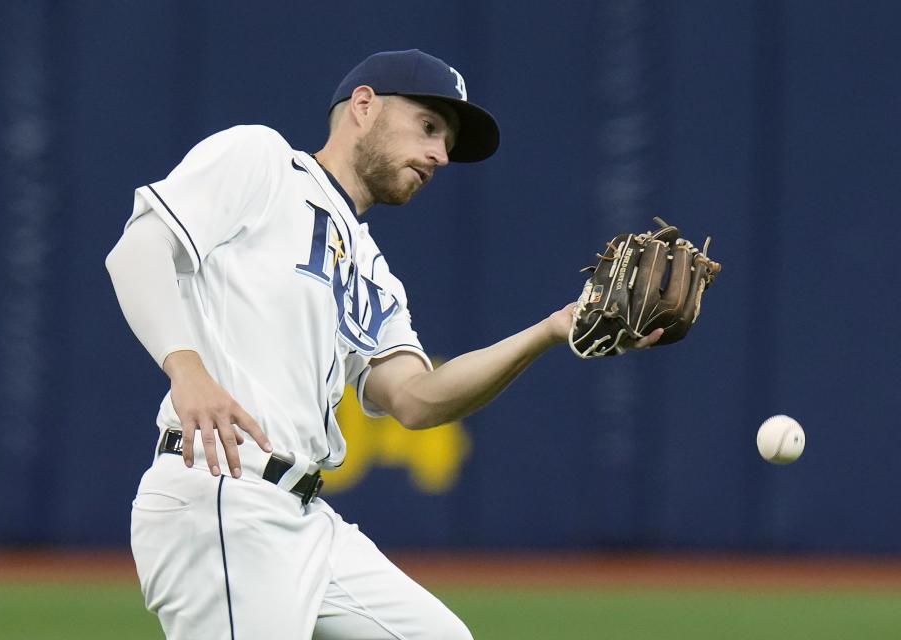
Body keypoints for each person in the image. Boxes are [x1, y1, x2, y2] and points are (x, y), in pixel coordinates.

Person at [106, 48, 659, 640]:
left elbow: (416, 399)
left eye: (445, 143)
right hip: (224, 495)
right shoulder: (262, 162)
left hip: (303, 519)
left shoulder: (372, 270)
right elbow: (137, 249)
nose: (440, 155)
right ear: (364, 106)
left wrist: (551, 330)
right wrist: (186, 370)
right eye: (428, 127)